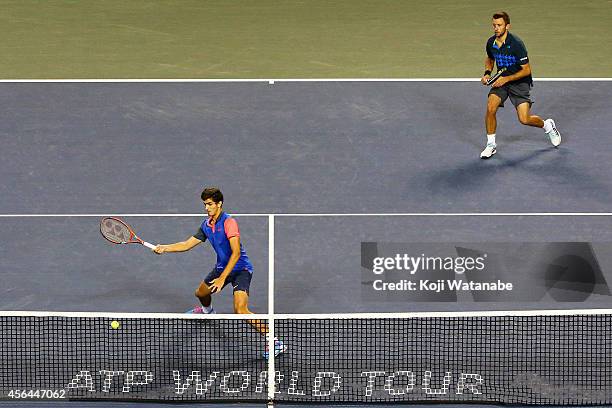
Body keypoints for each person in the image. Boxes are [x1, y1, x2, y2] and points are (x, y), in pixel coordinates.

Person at [153, 187, 285, 358]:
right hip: (222, 267)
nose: (206, 208)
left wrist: (222, 279)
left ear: (219, 204)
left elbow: (236, 253)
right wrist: (165, 248)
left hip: (241, 269)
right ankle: (207, 311)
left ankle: (274, 341)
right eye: (205, 204)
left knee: (240, 310)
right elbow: (187, 244)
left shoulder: (229, 223)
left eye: (209, 204)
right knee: (200, 293)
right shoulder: (206, 225)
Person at [480, 11, 561, 159]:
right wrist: (487, 73)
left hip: (519, 82)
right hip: (502, 81)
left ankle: (547, 125)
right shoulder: (491, 43)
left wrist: (507, 79)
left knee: (524, 119)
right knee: (490, 108)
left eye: (499, 25)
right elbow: (490, 58)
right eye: (494, 25)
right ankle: (491, 145)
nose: (496, 28)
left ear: (507, 26)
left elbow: (526, 70)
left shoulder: (516, 44)